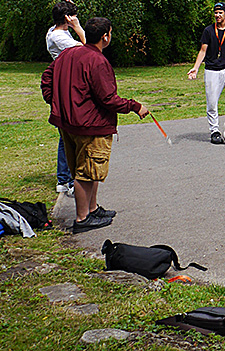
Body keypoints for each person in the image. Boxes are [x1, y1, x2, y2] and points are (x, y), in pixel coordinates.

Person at [40, 17, 149, 233]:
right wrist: (135, 106)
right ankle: (82, 219)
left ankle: (92, 209)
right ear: (105, 36)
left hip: (68, 124)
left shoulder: (68, 53)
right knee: (86, 172)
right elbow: (108, 98)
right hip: (91, 125)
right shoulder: (97, 61)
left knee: (90, 169)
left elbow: (46, 77)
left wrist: (55, 101)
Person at [187, 2, 225, 143]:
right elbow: (203, 50)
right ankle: (214, 131)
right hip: (212, 70)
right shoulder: (208, 31)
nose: (217, 15)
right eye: (216, 13)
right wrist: (196, 68)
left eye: (220, 12)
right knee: (212, 103)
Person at [46, 0, 87, 197]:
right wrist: (78, 28)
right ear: (67, 18)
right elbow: (89, 50)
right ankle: (67, 180)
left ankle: (64, 179)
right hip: (65, 85)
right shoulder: (59, 37)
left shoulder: (54, 31)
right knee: (68, 133)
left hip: (65, 83)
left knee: (66, 134)